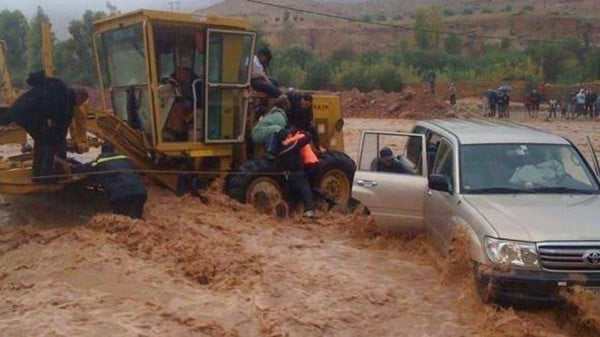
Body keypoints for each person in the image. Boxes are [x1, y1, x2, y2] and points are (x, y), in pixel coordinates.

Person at [0, 71, 88, 183]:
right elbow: (60, 130)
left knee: (42, 140)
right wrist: (62, 156)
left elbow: (39, 80)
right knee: (47, 141)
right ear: (78, 98)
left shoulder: (58, 85)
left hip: (20, 109)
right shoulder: (67, 102)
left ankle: (37, 174)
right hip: (29, 113)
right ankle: (46, 176)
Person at [73, 143, 147, 219]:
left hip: (120, 195)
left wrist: (72, 168)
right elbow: (140, 172)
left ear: (102, 151)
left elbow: (84, 169)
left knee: (121, 220)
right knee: (137, 219)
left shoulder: (100, 161)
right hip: (140, 193)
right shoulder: (126, 159)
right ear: (114, 150)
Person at [277, 129, 317, 218]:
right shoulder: (291, 145)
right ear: (286, 137)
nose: (291, 136)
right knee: (305, 190)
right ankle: (309, 210)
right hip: (297, 174)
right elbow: (308, 137)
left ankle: (292, 213)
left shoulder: (280, 149)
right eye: (289, 135)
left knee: (293, 196)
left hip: (288, 175)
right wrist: (298, 135)